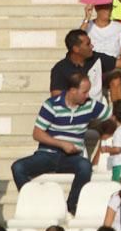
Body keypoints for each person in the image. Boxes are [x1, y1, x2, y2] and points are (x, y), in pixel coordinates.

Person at [10, 77, 111, 214]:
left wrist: (106, 134)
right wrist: (61, 144)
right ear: (72, 90)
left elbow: (114, 118)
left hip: (72, 157)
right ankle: (32, 201)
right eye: (84, 92)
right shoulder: (52, 105)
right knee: (18, 167)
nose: (88, 95)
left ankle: (72, 205)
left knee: (85, 166)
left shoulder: (90, 105)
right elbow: (37, 133)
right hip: (47, 154)